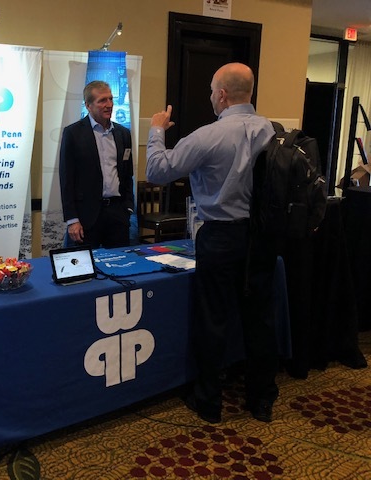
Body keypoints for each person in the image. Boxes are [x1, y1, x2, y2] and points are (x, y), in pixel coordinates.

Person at [145, 62, 278, 423]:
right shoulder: (272, 131)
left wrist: (156, 130)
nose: (210, 97)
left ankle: (209, 401)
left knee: (213, 319)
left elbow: (157, 171)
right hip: (262, 237)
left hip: (220, 236)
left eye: (210, 91)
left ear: (221, 95)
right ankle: (261, 400)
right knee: (259, 319)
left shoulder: (208, 136)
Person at [59, 80, 134, 249]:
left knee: (120, 262)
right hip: (86, 216)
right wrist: (72, 219)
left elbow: (127, 174)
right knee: (84, 264)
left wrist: (128, 207)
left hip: (117, 214)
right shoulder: (73, 133)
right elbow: (66, 179)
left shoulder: (123, 133)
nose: (109, 105)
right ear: (88, 105)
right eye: (102, 100)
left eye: (111, 99)